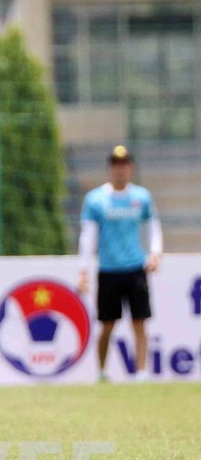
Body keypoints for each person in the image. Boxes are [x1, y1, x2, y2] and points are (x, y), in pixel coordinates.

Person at [77, 145, 162, 382]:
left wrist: (155, 253)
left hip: (135, 268)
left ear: (130, 168)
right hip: (109, 270)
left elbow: (152, 227)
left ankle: (142, 373)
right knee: (107, 326)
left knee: (139, 324)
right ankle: (102, 372)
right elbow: (88, 237)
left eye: (124, 164)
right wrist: (83, 271)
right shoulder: (96, 200)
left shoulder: (141, 198)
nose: (120, 169)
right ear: (110, 168)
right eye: (116, 165)